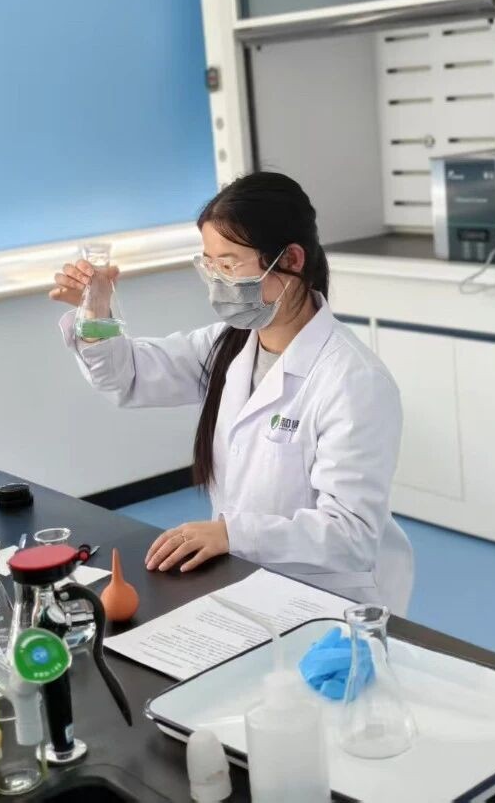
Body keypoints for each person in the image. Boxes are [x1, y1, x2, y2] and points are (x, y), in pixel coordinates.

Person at [49, 172, 413, 614]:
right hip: (246, 581)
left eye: (230, 264)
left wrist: (230, 533)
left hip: (331, 604)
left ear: (291, 259)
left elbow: (350, 535)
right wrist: (95, 308)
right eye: (210, 265)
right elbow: (127, 377)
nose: (217, 282)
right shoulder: (229, 344)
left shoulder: (354, 381)